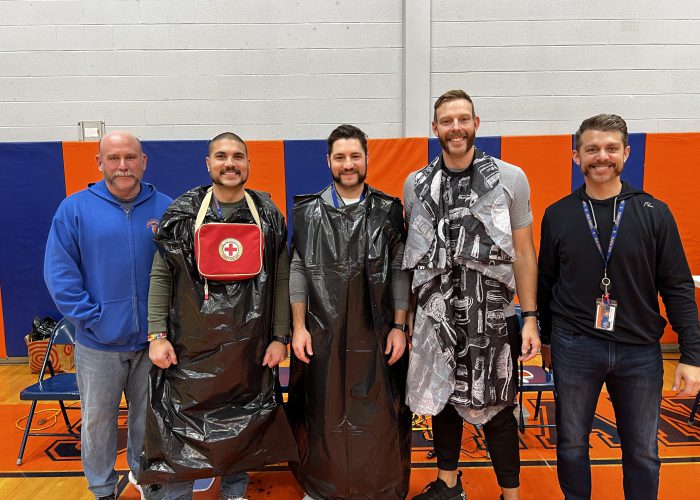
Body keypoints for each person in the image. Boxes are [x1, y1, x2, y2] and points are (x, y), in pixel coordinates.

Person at [538, 114, 700, 499]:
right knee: (572, 445)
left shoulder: (653, 212)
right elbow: (545, 282)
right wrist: (546, 338)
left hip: (640, 350)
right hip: (574, 345)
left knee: (643, 452)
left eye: (611, 148)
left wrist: (692, 355)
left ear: (626, 153)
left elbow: (677, 286)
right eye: (591, 149)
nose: (601, 157)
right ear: (575, 156)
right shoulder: (558, 214)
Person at [139, 132, 297, 499]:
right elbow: (162, 273)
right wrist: (156, 334)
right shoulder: (183, 212)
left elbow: (281, 277)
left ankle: (234, 492)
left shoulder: (268, 214)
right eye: (221, 156)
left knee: (242, 422)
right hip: (190, 347)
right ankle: (175, 494)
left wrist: (280, 336)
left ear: (248, 164)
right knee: (179, 426)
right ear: (207, 163)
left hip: (249, 347)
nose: (230, 163)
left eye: (238, 156)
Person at [403, 90, 541, 500]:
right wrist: (412, 315)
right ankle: (448, 486)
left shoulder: (509, 177)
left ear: (476, 124)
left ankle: (510, 494)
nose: (456, 128)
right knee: (442, 398)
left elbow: (524, 251)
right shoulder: (417, 183)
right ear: (435, 129)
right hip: (436, 312)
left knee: (497, 403)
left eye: (463, 119)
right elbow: (416, 255)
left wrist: (530, 315)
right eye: (447, 121)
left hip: (492, 314)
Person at [44, 131, 172, 500]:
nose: (122, 166)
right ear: (99, 163)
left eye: (130, 157)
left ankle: (145, 482)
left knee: (147, 424)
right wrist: (93, 317)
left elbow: (181, 274)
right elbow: (60, 273)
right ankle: (102, 491)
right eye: (113, 158)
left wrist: (164, 328)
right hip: (98, 343)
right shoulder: (74, 209)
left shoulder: (166, 207)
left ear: (144, 161)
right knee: (98, 424)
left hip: (154, 342)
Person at [287, 124, 413, 499]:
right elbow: (297, 269)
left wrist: (399, 326)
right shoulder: (307, 212)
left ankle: (379, 486)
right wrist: (298, 326)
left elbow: (399, 269)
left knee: (378, 417)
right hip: (320, 335)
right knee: (321, 415)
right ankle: (320, 486)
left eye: (355, 156)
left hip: (375, 334)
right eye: (340, 157)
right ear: (328, 161)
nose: (348, 164)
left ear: (366, 159)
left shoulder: (388, 210)